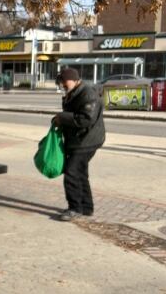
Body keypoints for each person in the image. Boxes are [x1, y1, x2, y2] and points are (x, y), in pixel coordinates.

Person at [52, 67, 105, 222]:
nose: (62, 85)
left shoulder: (87, 94)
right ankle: (87, 208)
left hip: (86, 141)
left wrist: (62, 117)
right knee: (80, 173)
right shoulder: (73, 92)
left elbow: (85, 119)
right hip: (79, 139)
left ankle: (75, 208)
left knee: (71, 173)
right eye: (61, 81)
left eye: (64, 81)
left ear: (74, 80)